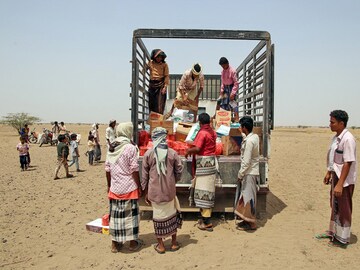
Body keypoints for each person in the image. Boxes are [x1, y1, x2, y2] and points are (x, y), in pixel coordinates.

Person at [315, 110, 357, 248]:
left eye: (332, 122)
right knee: (335, 205)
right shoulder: (336, 138)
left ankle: (343, 238)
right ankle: (333, 232)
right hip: (335, 176)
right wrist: (329, 172)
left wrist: (340, 184)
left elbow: (348, 162)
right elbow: (334, 158)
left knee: (344, 208)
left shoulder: (348, 139)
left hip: (344, 180)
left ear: (341, 123)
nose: (330, 125)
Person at [141, 127, 183, 254]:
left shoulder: (148, 154)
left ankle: (161, 246)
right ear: (164, 137)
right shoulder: (172, 153)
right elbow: (179, 170)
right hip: (169, 192)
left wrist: (145, 191)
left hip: (154, 192)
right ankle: (174, 243)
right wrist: (172, 181)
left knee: (158, 217)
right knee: (172, 215)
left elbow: (144, 176)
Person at [105, 122, 143, 253]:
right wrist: (139, 186)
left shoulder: (111, 147)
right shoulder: (130, 148)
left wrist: (109, 185)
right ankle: (132, 243)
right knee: (131, 217)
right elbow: (134, 170)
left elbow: (107, 169)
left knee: (115, 216)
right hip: (129, 187)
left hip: (115, 188)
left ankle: (115, 245)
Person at [185, 113, 217, 231]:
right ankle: (204, 218)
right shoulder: (212, 132)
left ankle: (207, 222)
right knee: (208, 192)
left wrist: (188, 151)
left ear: (200, 123)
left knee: (203, 193)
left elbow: (198, 148)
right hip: (211, 163)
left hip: (204, 165)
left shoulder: (202, 133)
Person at [234, 116, 259, 231]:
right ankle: (246, 221)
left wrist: (240, 174)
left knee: (248, 198)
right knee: (245, 197)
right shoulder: (254, 137)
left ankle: (252, 224)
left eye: (241, 126)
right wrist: (242, 134)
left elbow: (246, 161)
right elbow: (247, 140)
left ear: (244, 127)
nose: (240, 128)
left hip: (249, 173)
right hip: (251, 172)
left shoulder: (249, 142)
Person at [145, 49, 169, 114]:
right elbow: (144, 69)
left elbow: (166, 76)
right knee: (152, 102)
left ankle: (159, 119)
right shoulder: (150, 62)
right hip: (152, 84)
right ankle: (152, 119)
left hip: (161, 84)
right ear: (154, 57)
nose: (159, 58)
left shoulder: (165, 65)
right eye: (158, 57)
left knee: (159, 104)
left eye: (160, 57)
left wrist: (165, 87)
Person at [217, 57, 239, 122]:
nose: (223, 67)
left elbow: (236, 83)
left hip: (232, 88)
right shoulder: (222, 72)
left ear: (227, 63)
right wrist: (221, 91)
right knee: (223, 103)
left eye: (224, 65)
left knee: (233, 103)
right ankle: (226, 119)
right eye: (222, 66)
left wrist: (233, 93)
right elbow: (222, 82)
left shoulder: (232, 71)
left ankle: (237, 118)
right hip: (225, 89)